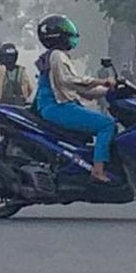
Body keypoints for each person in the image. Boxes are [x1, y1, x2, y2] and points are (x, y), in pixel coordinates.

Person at [34, 14, 115, 183]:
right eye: (67, 32)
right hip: (58, 107)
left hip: (59, 106)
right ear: (58, 36)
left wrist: (107, 90)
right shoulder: (57, 55)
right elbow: (70, 81)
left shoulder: (57, 56)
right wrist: (102, 81)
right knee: (107, 124)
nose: (71, 36)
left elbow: (82, 91)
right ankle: (98, 170)